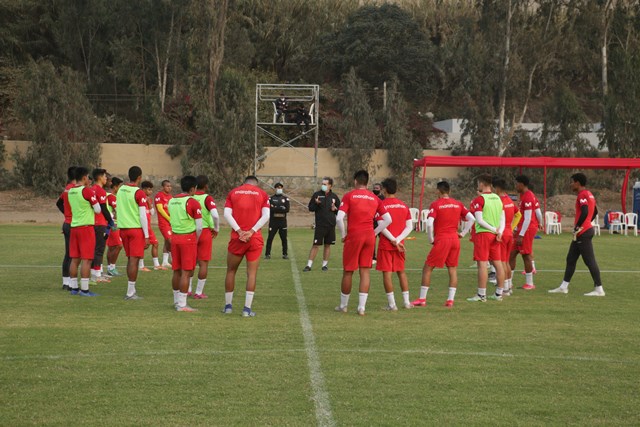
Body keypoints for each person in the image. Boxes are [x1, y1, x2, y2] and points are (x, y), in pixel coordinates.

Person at [335, 170, 392, 316]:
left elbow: (339, 218)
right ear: (367, 182)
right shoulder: (375, 198)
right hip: (369, 236)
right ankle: (361, 308)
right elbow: (388, 219)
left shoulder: (349, 196)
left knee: (348, 271)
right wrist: (374, 232)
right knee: (365, 271)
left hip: (354, 235)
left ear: (355, 181)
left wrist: (344, 234)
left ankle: (343, 306)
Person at [413, 181, 475, 308]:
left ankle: (422, 299)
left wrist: (431, 239)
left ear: (438, 191)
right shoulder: (458, 204)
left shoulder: (436, 204)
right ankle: (450, 300)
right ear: (449, 191)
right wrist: (462, 233)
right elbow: (472, 218)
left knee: (428, 267)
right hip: (454, 239)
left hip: (442, 239)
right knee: (452, 269)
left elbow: (429, 223)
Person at [549, 173, 605, 296]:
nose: (571, 184)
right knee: (571, 259)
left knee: (589, 261)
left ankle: (599, 289)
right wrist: (587, 223)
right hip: (584, 231)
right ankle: (564, 287)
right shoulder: (589, 194)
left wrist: (579, 226)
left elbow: (585, 210)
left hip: (583, 232)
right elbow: (594, 211)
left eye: (572, 182)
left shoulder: (582, 195)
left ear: (578, 183)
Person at [222, 176, 270, 317]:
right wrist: (252, 231)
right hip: (254, 238)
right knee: (252, 273)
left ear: (243, 183)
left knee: (231, 271)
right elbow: (266, 216)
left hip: (238, 238)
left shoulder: (234, 192)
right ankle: (247, 309)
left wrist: (239, 230)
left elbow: (226, 213)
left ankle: (228, 307)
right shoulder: (262, 193)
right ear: (256, 184)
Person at [376, 178, 414, 310]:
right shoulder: (403, 205)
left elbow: (382, 225)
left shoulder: (381, 204)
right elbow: (409, 227)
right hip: (400, 245)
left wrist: (393, 240)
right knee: (401, 272)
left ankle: (392, 305)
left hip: (386, 244)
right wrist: (398, 240)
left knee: (387, 274)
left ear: (384, 189)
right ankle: (407, 302)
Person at [467, 174, 506, 302]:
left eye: (478, 183)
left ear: (482, 184)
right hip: (496, 235)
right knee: (498, 264)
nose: (478, 186)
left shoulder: (480, 199)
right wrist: (499, 231)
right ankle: (499, 293)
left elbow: (479, 220)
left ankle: (481, 295)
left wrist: (493, 230)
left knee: (482, 264)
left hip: (484, 234)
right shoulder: (498, 198)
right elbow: (503, 218)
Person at [168, 176, 203, 312]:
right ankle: (182, 305)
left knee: (176, 270)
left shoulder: (172, 201)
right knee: (186, 272)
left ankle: (176, 301)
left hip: (175, 238)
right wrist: (196, 239)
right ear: (192, 188)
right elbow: (199, 227)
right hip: (188, 239)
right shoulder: (192, 202)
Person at [116, 166, 150, 300]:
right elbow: (142, 216)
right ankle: (130, 293)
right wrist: (146, 235)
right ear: (139, 177)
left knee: (130, 259)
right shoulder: (139, 192)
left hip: (123, 229)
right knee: (134, 260)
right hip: (135, 229)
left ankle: (131, 289)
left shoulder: (120, 190)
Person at [67, 167, 101, 296]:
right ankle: (85, 289)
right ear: (84, 177)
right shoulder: (86, 191)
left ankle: (74, 288)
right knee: (87, 259)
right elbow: (97, 209)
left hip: (74, 227)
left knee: (75, 259)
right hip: (86, 228)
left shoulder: (70, 191)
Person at [510, 175, 542, 290]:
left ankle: (529, 283)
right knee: (512, 253)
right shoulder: (524, 195)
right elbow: (537, 213)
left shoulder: (528, 197)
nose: (515, 186)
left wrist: (521, 234)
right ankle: (508, 283)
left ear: (522, 184)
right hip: (523, 228)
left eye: (516, 183)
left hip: (526, 229)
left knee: (525, 255)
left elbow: (528, 218)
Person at [190, 175, 219, 299]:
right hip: (205, 232)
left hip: (191, 231)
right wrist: (216, 228)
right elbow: (215, 215)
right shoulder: (207, 198)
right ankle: (199, 292)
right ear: (206, 186)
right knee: (203, 264)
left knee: (190, 262)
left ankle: (188, 290)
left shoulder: (190, 197)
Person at [304, 177, 340, 272]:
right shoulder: (317, 195)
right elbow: (310, 208)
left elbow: (339, 211)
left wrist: (335, 209)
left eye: (325, 184)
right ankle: (309, 265)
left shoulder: (334, 197)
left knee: (327, 245)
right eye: (322, 184)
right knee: (316, 245)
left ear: (330, 185)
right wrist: (316, 204)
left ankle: (325, 265)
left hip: (331, 225)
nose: (323, 185)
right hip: (320, 225)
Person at [493, 178, 519, 296]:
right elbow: (518, 214)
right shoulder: (509, 200)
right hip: (509, 233)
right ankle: (508, 287)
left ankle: (504, 289)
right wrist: (512, 227)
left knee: (501, 262)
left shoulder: (499, 201)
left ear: (497, 188)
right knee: (506, 261)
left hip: (502, 233)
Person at [90, 168, 115, 284]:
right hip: (100, 224)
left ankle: (95, 273)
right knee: (99, 250)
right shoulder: (100, 191)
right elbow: (103, 209)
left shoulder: (91, 189)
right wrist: (110, 221)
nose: (106, 178)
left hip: (92, 223)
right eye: (105, 176)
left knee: (94, 249)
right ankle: (96, 275)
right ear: (100, 177)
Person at [56, 166, 77, 291]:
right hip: (74, 224)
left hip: (67, 223)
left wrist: (66, 214)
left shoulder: (66, 190)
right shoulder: (75, 190)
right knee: (73, 254)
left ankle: (66, 282)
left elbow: (58, 203)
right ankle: (71, 283)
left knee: (68, 254)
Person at [139, 181, 161, 271]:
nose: (150, 191)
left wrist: (149, 204)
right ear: (143, 189)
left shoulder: (149, 199)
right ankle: (141, 266)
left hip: (149, 227)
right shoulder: (139, 198)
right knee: (142, 246)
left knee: (155, 243)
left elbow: (152, 213)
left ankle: (156, 265)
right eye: (149, 189)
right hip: (143, 227)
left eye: (151, 190)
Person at [264, 182, 290, 260]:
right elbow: (270, 209)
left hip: (282, 222)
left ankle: (285, 254)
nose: (279, 189)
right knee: (270, 238)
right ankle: (267, 254)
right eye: (278, 188)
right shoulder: (271, 198)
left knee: (284, 238)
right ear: (275, 189)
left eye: (280, 188)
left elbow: (287, 209)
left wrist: (275, 207)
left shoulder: (285, 198)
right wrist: (281, 208)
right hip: (273, 222)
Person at [106, 177, 124, 277]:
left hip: (111, 224)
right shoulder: (111, 196)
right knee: (118, 245)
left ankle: (110, 268)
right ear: (115, 186)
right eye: (119, 186)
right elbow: (117, 210)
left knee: (112, 247)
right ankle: (112, 267)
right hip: (114, 224)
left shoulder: (109, 195)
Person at [154, 180, 173, 268]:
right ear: (163, 187)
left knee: (167, 241)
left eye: (170, 186)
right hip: (164, 223)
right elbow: (160, 210)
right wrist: (169, 219)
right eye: (167, 186)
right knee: (170, 241)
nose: (169, 187)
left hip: (171, 223)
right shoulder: (159, 196)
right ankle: (174, 259)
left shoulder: (170, 197)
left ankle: (165, 261)